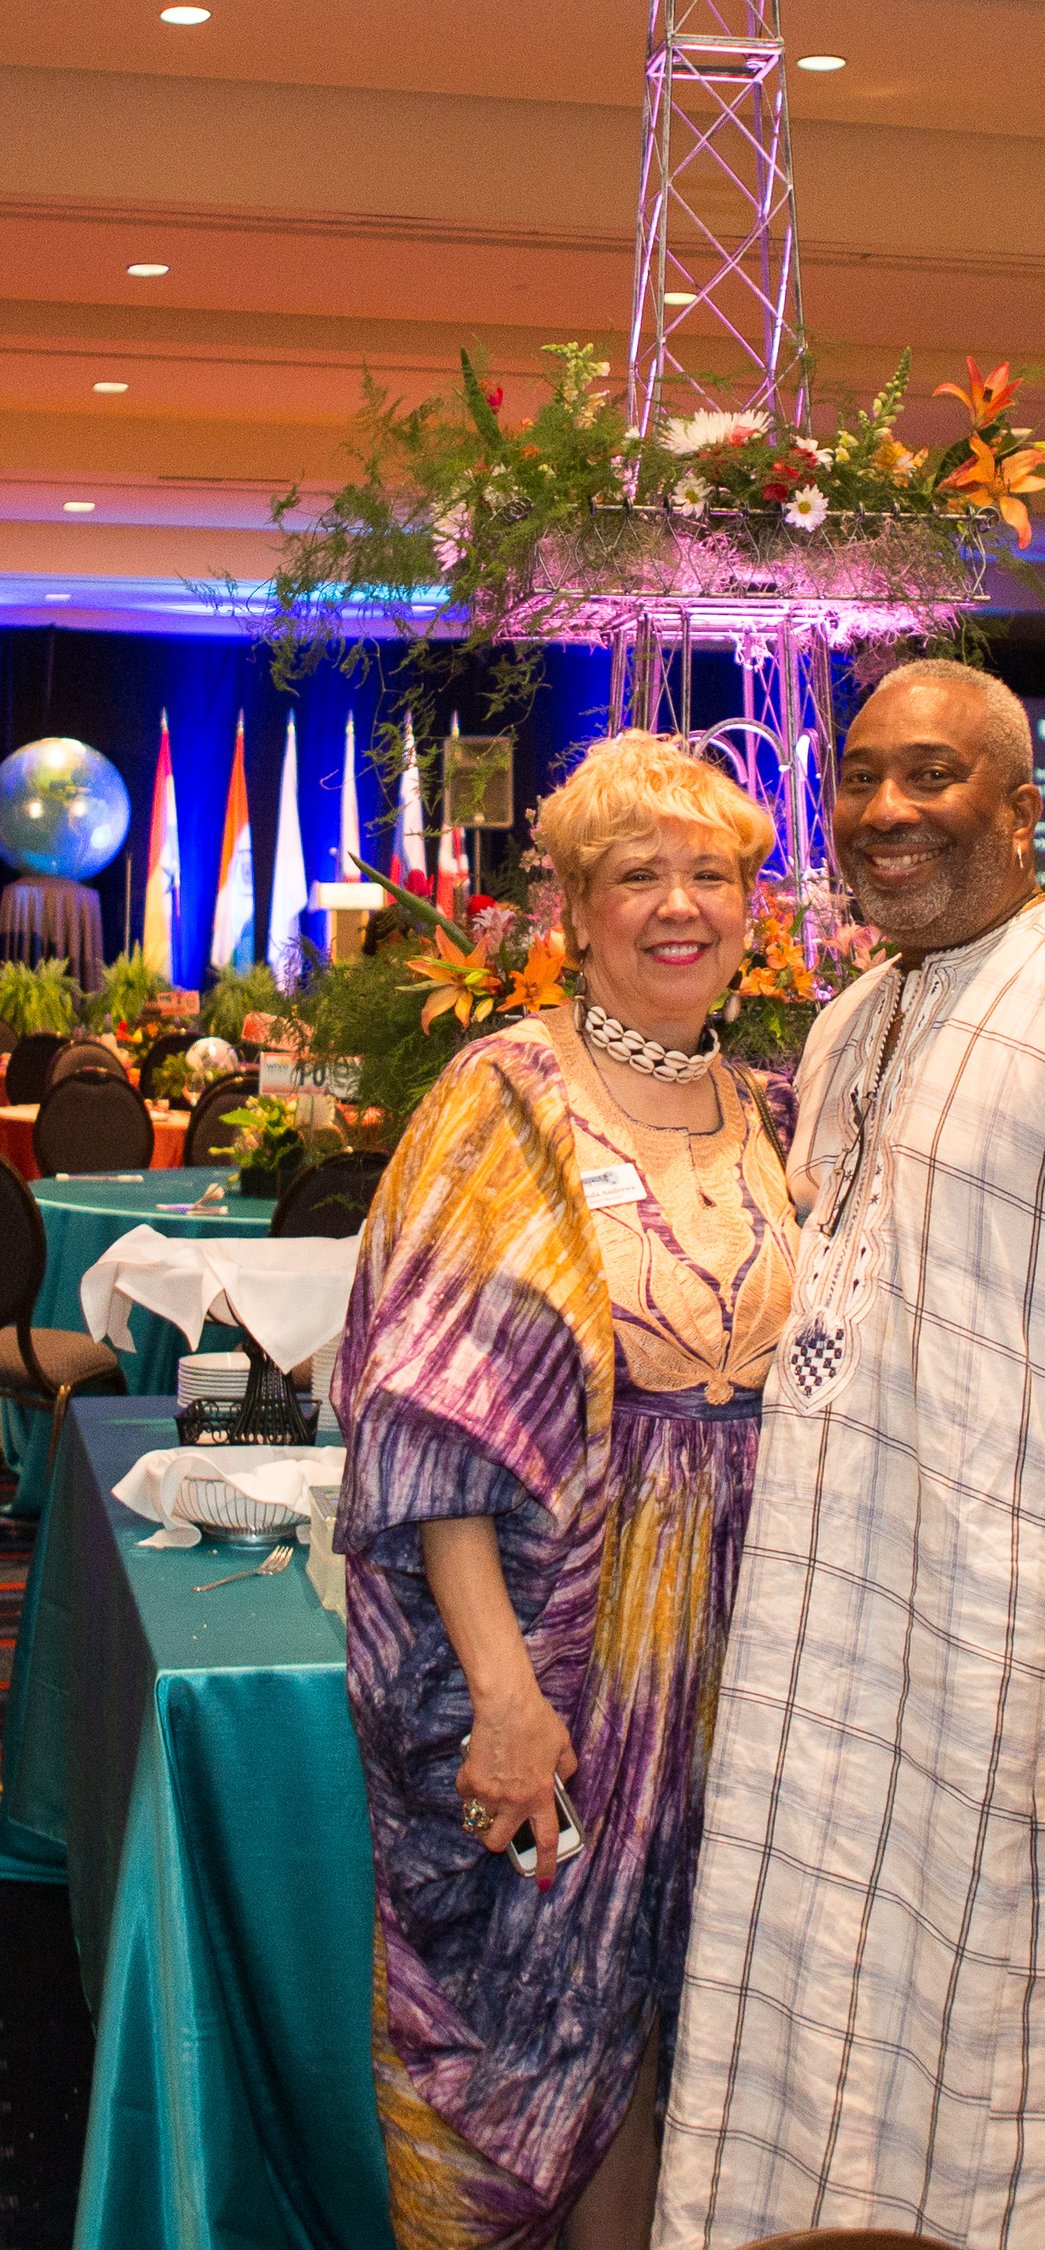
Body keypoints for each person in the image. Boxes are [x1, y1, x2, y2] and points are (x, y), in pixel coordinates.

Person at [652, 659, 1045, 2250]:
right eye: (863, 774)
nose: (887, 808)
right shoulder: (855, 1020)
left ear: (1021, 808)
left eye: (932, 774)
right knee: (860, 2029)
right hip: (864, 1655)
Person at [332, 732, 800, 2250]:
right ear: (574, 911)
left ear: (751, 908)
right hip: (572, 1644)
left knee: (715, 2011)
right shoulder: (507, 1098)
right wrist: (505, 1697)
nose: (679, 904)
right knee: (559, 2021)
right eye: (636, 874)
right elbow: (433, 1438)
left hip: (764, 1639)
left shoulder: (780, 1109)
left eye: (710, 874)